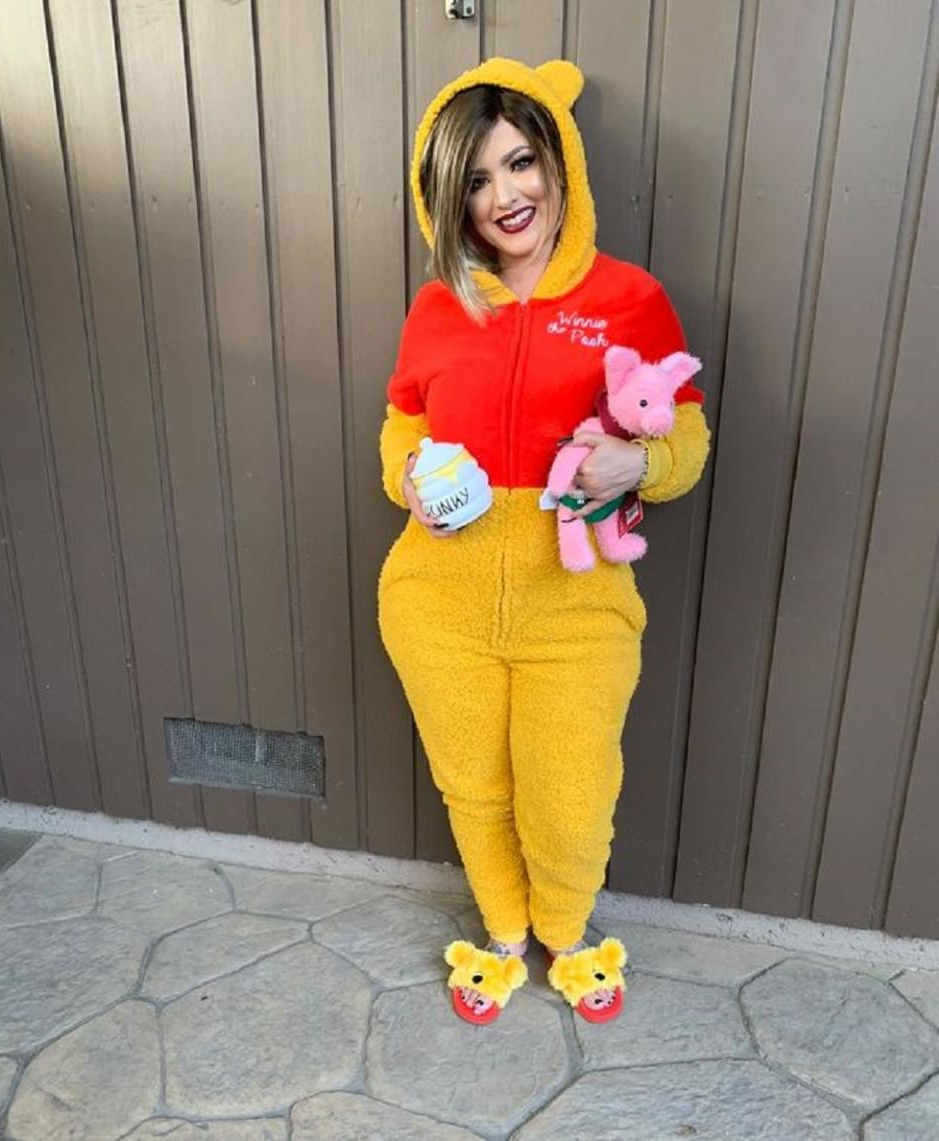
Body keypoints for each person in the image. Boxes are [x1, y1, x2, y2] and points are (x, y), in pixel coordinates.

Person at [378, 58, 710, 1024]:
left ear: (558, 159)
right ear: (448, 202)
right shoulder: (441, 304)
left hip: (578, 594)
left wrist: (635, 468)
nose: (504, 196)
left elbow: (684, 435)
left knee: (568, 790)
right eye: (475, 182)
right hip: (437, 594)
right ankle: (503, 929)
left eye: (520, 163)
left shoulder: (630, 298)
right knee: (473, 784)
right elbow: (401, 421)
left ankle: (565, 929)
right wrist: (410, 477)